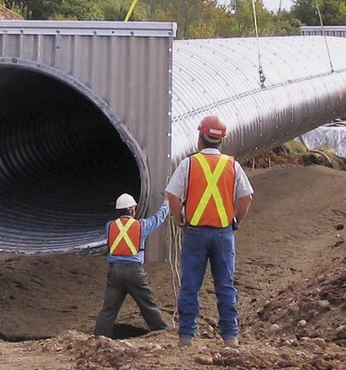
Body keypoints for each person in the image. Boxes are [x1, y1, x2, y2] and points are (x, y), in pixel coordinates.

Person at [165, 115, 254, 348]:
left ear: (200, 137)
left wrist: (180, 220)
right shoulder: (232, 165)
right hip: (223, 234)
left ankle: (186, 337)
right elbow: (246, 197)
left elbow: (172, 195)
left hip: (195, 232)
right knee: (225, 285)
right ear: (221, 139)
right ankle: (230, 337)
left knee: (191, 285)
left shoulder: (189, 163)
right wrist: (235, 221)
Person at [93, 193, 169, 338]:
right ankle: (162, 332)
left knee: (109, 309)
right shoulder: (141, 226)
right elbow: (159, 218)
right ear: (132, 210)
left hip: (115, 272)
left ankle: (100, 336)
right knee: (148, 305)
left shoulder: (110, 226)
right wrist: (167, 201)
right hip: (134, 272)